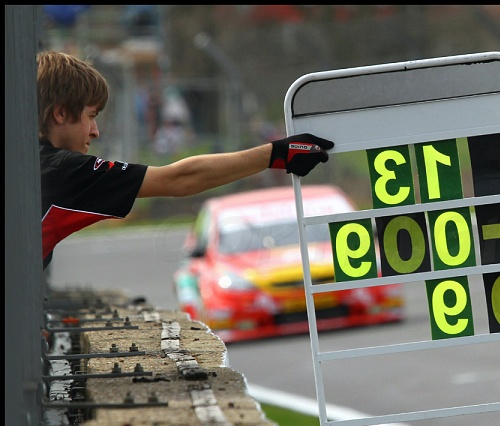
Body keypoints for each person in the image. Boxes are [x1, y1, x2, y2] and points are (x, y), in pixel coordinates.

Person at [37, 50, 334, 271]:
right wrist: (276, 154)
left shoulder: (30, 162)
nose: (95, 131)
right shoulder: (61, 169)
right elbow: (178, 179)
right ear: (61, 113)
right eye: (91, 116)